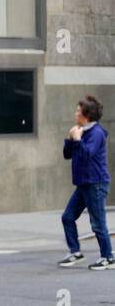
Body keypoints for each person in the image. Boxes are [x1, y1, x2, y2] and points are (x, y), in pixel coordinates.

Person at [57, 95, 111, 270]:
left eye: (78, 111)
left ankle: (108, 257)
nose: (75, 114)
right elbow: (67, 155)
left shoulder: (96, 134)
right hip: (83, 184)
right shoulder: (82, 131)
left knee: (98, 222)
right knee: (67, 217)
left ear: (86, 114)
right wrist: (71, 138)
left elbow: (88, 154)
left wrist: (78, 139)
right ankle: (75, 252)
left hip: (96, 183)